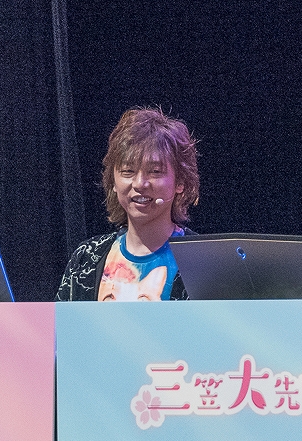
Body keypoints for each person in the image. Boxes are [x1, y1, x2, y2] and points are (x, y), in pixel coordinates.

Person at [57, 108, 200, 301]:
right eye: (128, 171)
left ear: (180, 182)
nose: (140, 183)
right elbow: (62, 321)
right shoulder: (86, 257)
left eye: (155, 172)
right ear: (113, 182)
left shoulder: (204, 260)